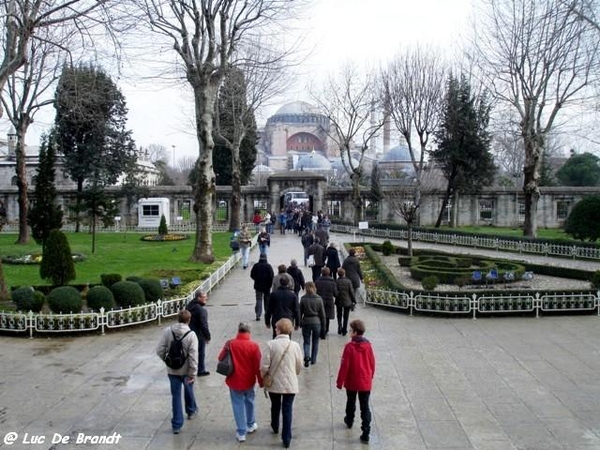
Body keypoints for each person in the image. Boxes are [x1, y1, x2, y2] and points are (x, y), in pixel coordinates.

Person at [261, 318, 304, 449]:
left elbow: (264, 365)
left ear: (278, 330)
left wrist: (264, 376)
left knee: (275, 405)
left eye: (276, 327)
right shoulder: (295, 345)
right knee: (287, 409)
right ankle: (286, 437)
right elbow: (299, 365)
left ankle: (275, 425)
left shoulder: (270, 344)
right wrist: (294, 373)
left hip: (274, 382)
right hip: (290, 383)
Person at [218, 322, 263, 443]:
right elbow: (258, 366)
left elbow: (220, 357)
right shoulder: (254, 346)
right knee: (250, 401)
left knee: (237, 404)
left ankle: (241, 432)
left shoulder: (230, 343)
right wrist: (261, 381)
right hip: (249, 380)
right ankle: (251, 424)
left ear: (238, 330)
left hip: (234, 380)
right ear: (249, 332)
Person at [156, 309, 198, 434]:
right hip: (186, 370)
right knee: (189, 388)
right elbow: (193, 356)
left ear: (177, 319)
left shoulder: (168, 331)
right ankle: (191, 411)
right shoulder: (191, 335)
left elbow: (159, 350)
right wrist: (193, 372)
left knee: (176, 396)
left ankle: (177, 425)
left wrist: (167, 360)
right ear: (189, 320)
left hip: (172, 370)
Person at [336, 319, 376, 444]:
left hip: (352, 381)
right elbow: (372, 363)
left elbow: (344, 365)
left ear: (354, 332)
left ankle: (349, 420)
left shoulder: (349, 347)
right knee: (365, 407)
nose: (349, 332)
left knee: (351, 401)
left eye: (350, 330)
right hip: (365, 381)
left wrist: (339, 382)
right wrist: (370, 376)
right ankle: (366, 432)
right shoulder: (368, 345)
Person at [299, 282, 326, 367]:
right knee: (315, 341)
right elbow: (322, 314)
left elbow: (300, 312)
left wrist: (299, 322)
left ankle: (307, 356)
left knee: (306, 341)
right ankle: (313, 359)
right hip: (316, 321)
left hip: (306, 321)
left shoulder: (303, 299)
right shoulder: (319, 299)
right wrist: (324, 326)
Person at [186, 290, 211, 376]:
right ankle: (201, 370)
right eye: (204, 297)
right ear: (199, 298)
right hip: (199, 335)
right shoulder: (201, 310)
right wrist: (207, 336)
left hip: (188, 333)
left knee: (190, 352)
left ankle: (190, 368)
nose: (206, 298)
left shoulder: (189, 306)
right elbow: (204, 325)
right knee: (201, 352)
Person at [250, 253, 274, 322]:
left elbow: (252, 275)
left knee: (259, 299)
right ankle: (267, 313)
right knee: (267, 300)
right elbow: (271, 276)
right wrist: (270, 284)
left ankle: (258, 314)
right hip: (267, 286)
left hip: (258, 286)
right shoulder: (268, 266)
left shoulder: (256, 266)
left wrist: (256, 279)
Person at [314, 267, 338, 336]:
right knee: (327, 316)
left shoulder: (317, 281)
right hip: (329, 301)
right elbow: (335, 293)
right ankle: (326, 329)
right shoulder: (332, 282)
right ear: (329, 273)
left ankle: (321, 329)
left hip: (319, 301)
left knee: (320, 315)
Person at [335, 268, 356, 335]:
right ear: (344, 274)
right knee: (346, 316)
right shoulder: (348, 281)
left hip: (339, 300)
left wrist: (337, 295)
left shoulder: (336, 281)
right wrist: (354, 300)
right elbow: (351, 292)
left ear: (338, 274)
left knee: (339, 315)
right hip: (347, 301)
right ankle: (344, 329)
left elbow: (335, 292)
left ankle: (339, 327)